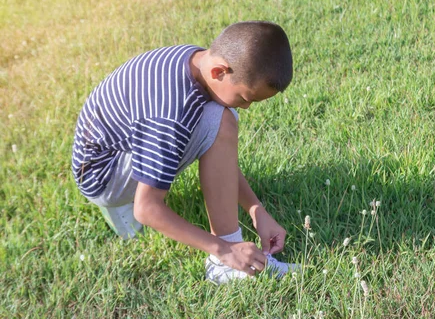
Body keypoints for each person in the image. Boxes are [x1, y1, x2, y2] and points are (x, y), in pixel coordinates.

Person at [72, 21, 297, 285]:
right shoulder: (170, 113)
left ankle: (123, 203)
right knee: (221, 118)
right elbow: (146, 209)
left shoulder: (198, 61)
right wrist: (225, 250)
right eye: (245, 97)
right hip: (104, 178)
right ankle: (223, 265)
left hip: (107, 153)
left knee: (219, 116)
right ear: (219, 71)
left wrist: (256, 210)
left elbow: (216, 153)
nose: (246, 107)